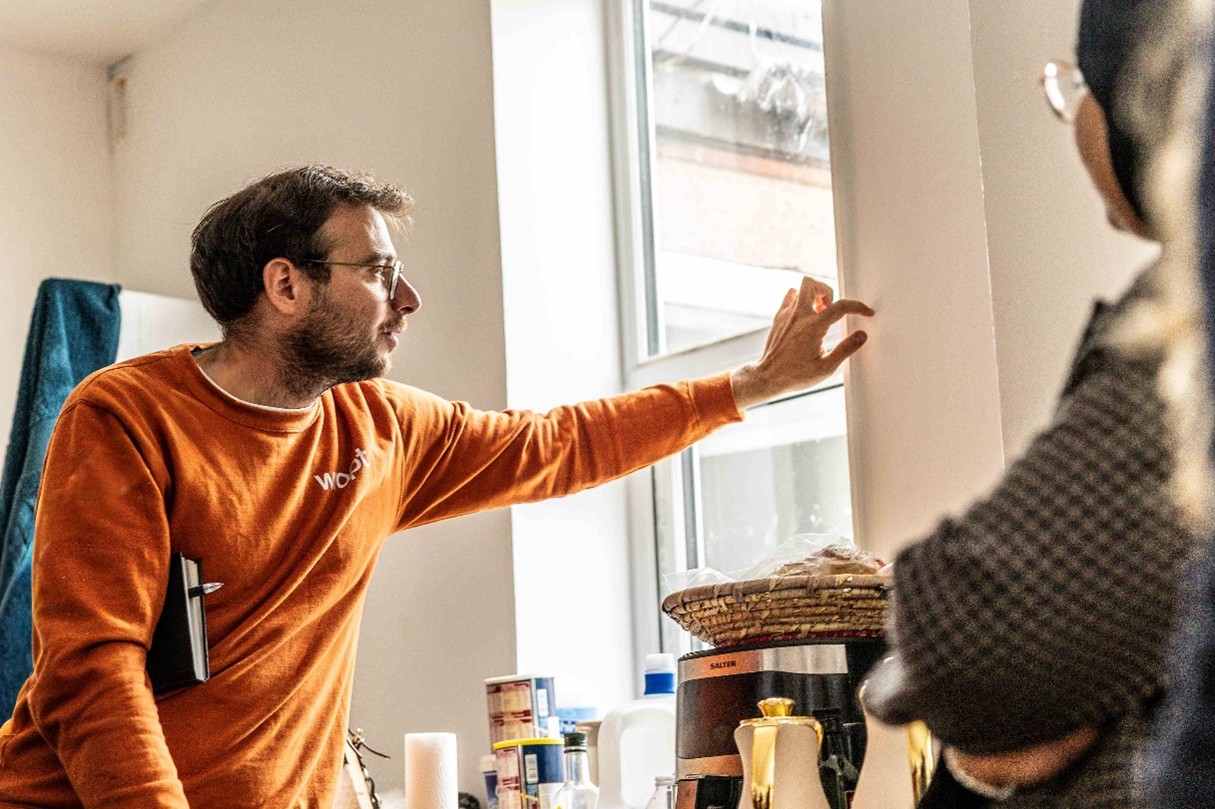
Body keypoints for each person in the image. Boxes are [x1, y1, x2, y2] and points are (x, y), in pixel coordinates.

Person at [0, 165, 873, 807]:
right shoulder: (123, 415)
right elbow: (92, 669)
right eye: (377, 270)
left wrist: (747, 387)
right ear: (285, 284)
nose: (406, 297)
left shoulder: (382, 427)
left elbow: (556, 444)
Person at [863, 0, 1195, 806]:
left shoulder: (1190, 315)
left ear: (1140, 97)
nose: (1073, 116)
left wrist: (970, 729)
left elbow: (960, 642)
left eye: (1077, 86)